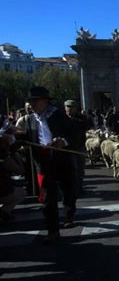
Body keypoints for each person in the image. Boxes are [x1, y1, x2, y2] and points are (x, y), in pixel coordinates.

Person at [24, 86, 79, 244]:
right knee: (48, 196)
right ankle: (53, 230)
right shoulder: (30, 119)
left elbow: (74, 133)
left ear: (45, 101)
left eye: (35, 101)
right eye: (31, 102)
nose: (32, 105)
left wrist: (64, 141)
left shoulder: (58, 115)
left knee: (68, 188)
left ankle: (69, 215)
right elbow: (29, 137)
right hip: (43, 160)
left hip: (61, 157)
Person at [64, 99, 88, 201]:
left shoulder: (81, 118)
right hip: (66, 149)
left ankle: (79, 188)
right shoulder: (62, 118)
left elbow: (85, 125)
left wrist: (71, 120)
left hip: (78, 147)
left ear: (75, 108)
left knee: (79, 168)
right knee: (68, 170)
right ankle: (70, 189)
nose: (69, 109)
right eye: (67, 107)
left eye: (71, 107)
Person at [0, 132, 26, 221]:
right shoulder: (4, 158)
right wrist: (17, 156)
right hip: (2, 191)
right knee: (22, 192)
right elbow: (20, 170)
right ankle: (4, 211)